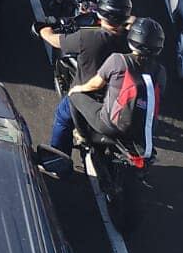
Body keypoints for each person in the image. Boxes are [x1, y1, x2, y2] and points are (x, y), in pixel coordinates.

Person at [40, 0, 134, 156]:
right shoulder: (133, 40)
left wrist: (43, 29)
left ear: (101, 14)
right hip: (121, 100)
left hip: (89, 97)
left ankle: (58, 158)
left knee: (62, 116)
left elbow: (55, 40)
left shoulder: (88, 38)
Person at [67, 17, 167, 166]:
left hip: (110, 125)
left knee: (74, 96)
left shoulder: (118, 60)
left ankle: (83, 136)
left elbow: (95, 85)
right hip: (143, 131)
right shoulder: (161, 72)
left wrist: (78, 88)